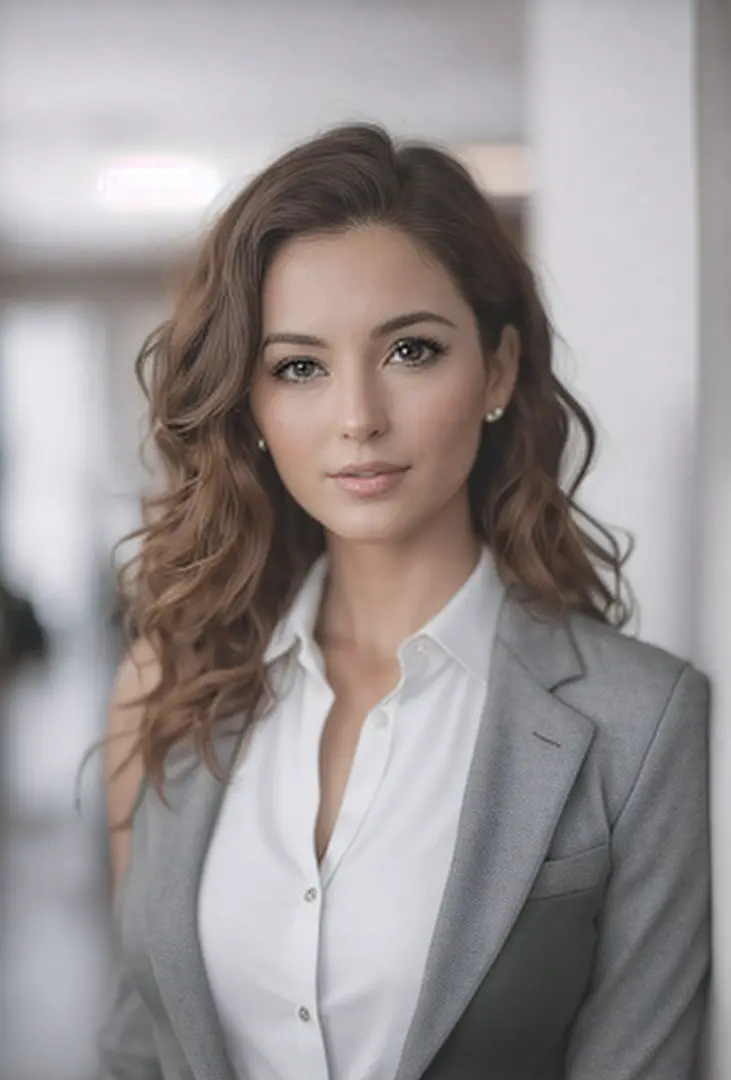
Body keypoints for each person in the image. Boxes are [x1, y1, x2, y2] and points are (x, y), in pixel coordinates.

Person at [96, 123, 711, 1080]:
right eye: (299, 366)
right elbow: (140, 1044)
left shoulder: (642, 721)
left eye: (411, 351)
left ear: (498, 369)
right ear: (249, 407)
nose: (357, 418)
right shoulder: (168, 685)